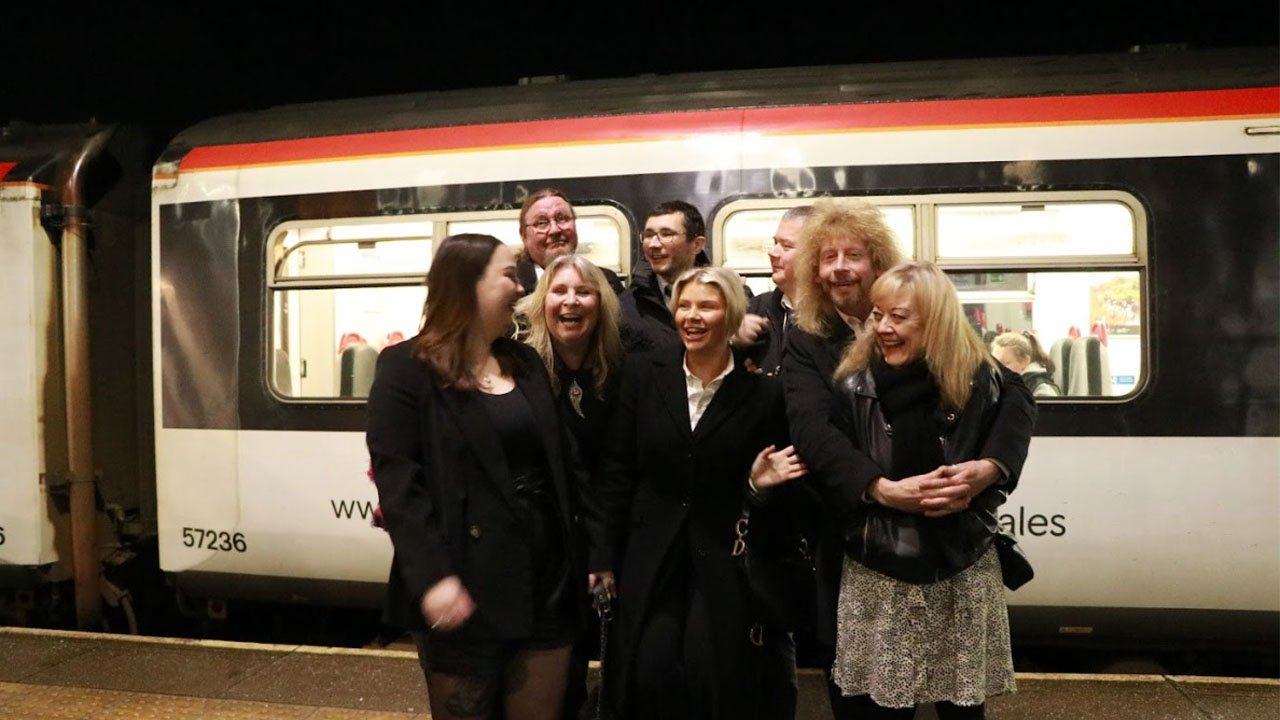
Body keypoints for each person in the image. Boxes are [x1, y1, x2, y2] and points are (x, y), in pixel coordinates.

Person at [779, 199, 1035, 714]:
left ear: (878, 261)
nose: (839, 268)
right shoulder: (807, 336)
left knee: (959, 699)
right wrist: (881, 489)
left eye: (853, 255)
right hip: (861, 541)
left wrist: (991, 468)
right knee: (863, 699)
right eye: (827, 258)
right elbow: (813, 430)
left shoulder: (931, 317)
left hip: (952, 550)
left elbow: (1013, 393)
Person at [366, 234, 612, 720]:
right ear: (467, 285)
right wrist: (434, 578)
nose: (520, 288)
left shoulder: (525, 362)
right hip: (466, 580)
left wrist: (598, 549)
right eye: (508, 275)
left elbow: (567, 465)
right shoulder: (406, 369)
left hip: (548, 577)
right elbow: (400, 484)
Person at [600, 266, 809, 720]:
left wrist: (757, 485)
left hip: (724, 559)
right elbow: (617, 470)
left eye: (707, 307)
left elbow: (780, 499)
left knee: (711, 675)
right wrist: (603, 557)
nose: (692, 316)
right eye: (684, 306)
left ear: (731, 315)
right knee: (649, 673)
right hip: (651, 555)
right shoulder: (642, 374)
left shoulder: (763, 394)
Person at [514, 253, 625, 719]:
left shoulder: (625, 366)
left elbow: (620, 466)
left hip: (613, 530)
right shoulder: (520, 368)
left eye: (583, 291)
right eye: (559, 291)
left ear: (602, 303)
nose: (571, 301)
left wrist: (603, 550)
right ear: (541, 303)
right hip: (550, 541)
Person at [618, 200, 710, 352]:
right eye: (648, 235)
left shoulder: (727, 298)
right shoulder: (626, 307)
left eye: (667, 234)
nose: (653, 244)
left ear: (697, 244)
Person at [735, 205, 812, 376]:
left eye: (786, 246)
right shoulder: (757, 307)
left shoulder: (832, 313)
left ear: (813, 255)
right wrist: (733, 343)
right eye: (775, 243)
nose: (772, 252)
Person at [517, 188, 625, 297]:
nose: (555, 230)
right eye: (542, 223)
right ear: (524, 236)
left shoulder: (606, 282)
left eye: (562, 219)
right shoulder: (513, 287)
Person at [991, 331, 1061, 397]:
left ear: (1025, 361)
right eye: (994, 364)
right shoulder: (998, 387)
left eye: (1006, 363)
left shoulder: (1041, 390)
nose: (997, 369)